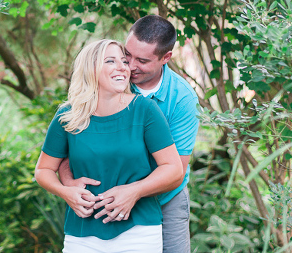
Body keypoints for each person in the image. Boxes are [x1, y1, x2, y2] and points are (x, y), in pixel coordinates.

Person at [60, 15, 200, 253]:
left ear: (166, 58)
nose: (130, 66)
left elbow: (175, 172)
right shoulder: (110, 79)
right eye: (128, 54)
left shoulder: (183, 100)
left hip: (165, 198)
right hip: (103, 202)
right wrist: (69, 184)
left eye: (142, 60)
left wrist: (134, 191)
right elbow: (70, 147)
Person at [34, 39, 182, 253]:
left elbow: (174, 169)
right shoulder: (68, 116)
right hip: (81, 234)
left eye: (124, 61)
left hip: (138, 232)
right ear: (91, 69)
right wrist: (65, 191)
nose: (123, 67)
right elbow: (43, 170)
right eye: (111, 61)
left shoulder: (145, 110)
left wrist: (135, 191)